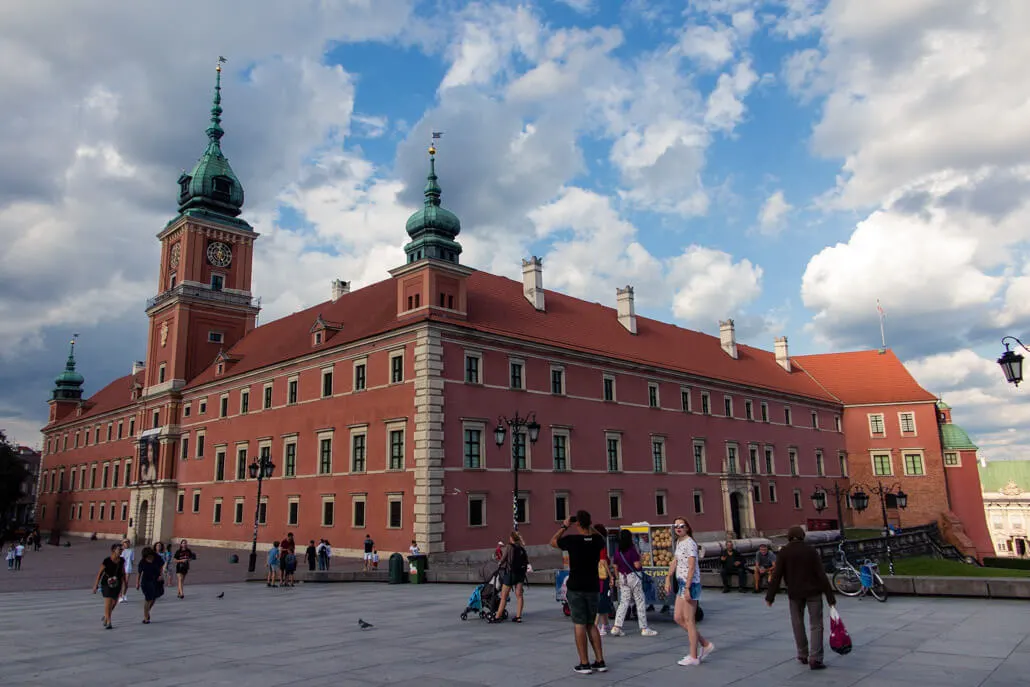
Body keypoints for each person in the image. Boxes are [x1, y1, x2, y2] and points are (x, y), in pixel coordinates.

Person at [765, 526, 836, 670]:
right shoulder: (811, 551)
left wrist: (770, 597)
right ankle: (815, 658)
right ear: (802, 536)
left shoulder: (784, 552)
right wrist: (830, 597)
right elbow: (821, 574)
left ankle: (802, 654)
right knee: (816, 624)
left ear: (789, 537)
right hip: (814, 592)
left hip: (794, 593)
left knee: (797, 623)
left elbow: (777, 575)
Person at [551, 510, 608, 675]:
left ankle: (584, 663)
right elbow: (603, 539)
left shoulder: (572, 540)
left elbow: (553, 541)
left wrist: (564, 526)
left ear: (577, 524)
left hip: (576, 587)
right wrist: (591, 527)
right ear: (589, 523)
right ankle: (600, 661)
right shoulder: (597, 540)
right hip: (593, 586)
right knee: (592, 624)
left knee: (579, 624)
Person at [667, 518, 715, 667]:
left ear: (687, 528)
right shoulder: (680, 542)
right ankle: (705, 644)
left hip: (690, 584)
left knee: (689, 620)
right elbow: (675, 561)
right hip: (681, 583)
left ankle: (694, 656)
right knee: (677, 617)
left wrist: (687, 587)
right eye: (676, 526)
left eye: (681, 526)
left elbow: (692, 566)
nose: (678, 528)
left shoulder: (690, 543)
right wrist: (668, 578)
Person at [611, 529, 657, 637]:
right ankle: (644, 628)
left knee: (624, 602)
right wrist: (641, 561)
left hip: (623, 577)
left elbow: (615, 566)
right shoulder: (632, 550)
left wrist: (618, 578)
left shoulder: (618, 551)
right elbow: (637, 566)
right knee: (639, 601)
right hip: (634, 577)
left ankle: (616, 626)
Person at [492, 531, 529, 623]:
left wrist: (499, 563)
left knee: (504, 596)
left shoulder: (509, 547)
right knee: (519, 596)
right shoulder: (521, 548)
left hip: (510, 574)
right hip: (520, 574)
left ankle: (497, 616)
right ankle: (518, 617)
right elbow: (526, 560)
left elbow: (503, 558)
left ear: (512, 538)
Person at [93, 543, 126, 629]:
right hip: (106, 583)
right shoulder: (107, 561)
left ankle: (106, 616)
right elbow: (100, 573)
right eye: (119, 549)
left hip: (117, 583)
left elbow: (123, 572)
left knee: (114, 603)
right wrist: (96, 585)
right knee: (108, 602)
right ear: (113, 550)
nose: (121, 551)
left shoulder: (122, 560)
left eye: (122, 550)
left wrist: (125, 583)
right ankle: (109, 622)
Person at [136, 547, 165, 624]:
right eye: (147, 556)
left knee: (154, 598)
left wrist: (161, 575)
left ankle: (147, 611)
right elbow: (139, 572)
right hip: (146, 581)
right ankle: (146, 618)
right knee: (148, 598)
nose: (149, 557)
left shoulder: (157, 558)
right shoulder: (142, 562)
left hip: (156, 580)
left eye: (150, 555)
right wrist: (137, 582)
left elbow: (161, 566)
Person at [594, 524, 614, 636]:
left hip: (599, 576)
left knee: (601, 599)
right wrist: (610, 576)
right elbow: (604, 561)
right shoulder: (600, 544)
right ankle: (602, 625)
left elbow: (603, 561)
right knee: (602, 599)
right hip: (602, 576)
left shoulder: (595, 544)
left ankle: (599, 625)